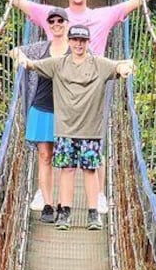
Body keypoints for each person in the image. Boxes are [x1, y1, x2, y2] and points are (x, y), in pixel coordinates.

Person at [0, 0, 156, 212]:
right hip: (58, 87)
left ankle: (100, 196)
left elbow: (133, 3)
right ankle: (47, 195)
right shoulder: (54, 14)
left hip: (93, 88)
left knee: (96, 139)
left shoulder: (102, 16)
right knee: (53, 146)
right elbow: (20, 3)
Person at [12, 25, 134, 231]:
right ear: (69, 41)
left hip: (90, 130)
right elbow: (32, 65)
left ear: (88, 43)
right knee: (67, 170)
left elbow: (121, 65)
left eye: (83, 40)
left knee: (89, 170)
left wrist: (126, 68)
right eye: (75, 40)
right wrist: (20, 57)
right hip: (65, 130)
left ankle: (93, 213)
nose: (79, 44)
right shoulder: (58, 63)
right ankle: (65, 212)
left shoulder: (99, 64)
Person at [11, 7, 69, 224]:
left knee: (64, 160)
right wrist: (24, 60)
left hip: (66, 113)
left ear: (67, 24)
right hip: (41, 107)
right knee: (45, 156)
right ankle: (47, 204)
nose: (56, 24)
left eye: (60, 21)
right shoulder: (41, 48)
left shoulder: (75, 49)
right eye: (52, 21)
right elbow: (15, 50)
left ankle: (64, 204)